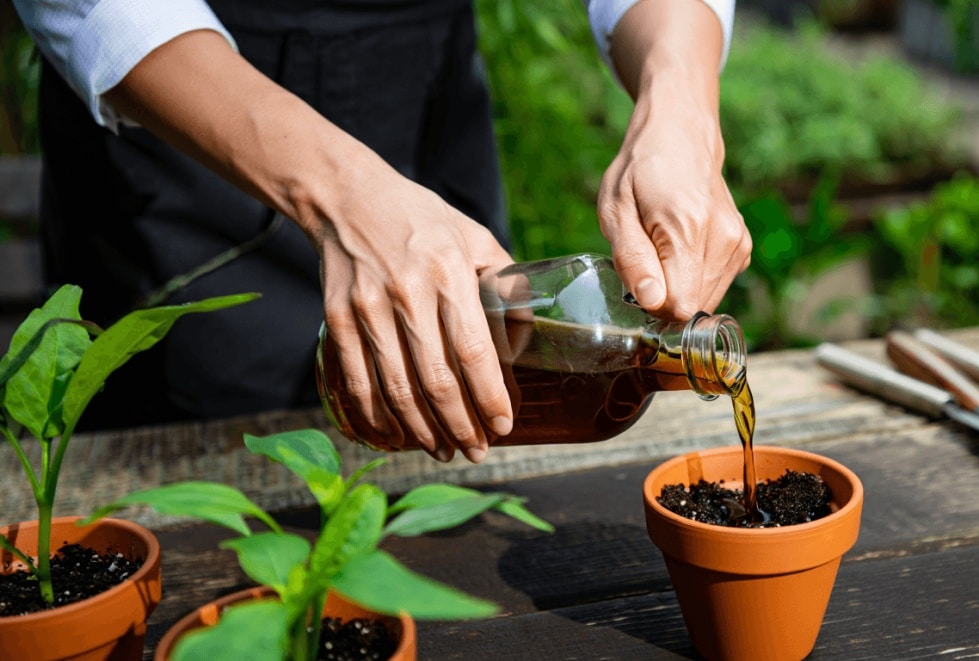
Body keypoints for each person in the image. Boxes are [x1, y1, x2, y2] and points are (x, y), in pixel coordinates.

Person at [14, 0, 752, 464]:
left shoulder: (614, 384)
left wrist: (679, 101)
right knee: (215, 484)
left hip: (422, 76)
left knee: (441, 422)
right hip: (191, 117)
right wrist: (339, 191)